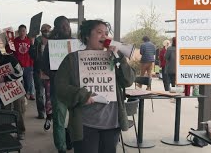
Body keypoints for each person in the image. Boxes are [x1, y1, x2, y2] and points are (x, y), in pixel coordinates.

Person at [55, 20, 135, 153]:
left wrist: (120, 59)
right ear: (87, 35)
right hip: (84, 125)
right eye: (99, 32)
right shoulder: (72, 59)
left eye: (106, 33)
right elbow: (60, 87)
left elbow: (128, 81)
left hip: (111, 123)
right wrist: (81, 95)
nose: (104, 36)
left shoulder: (113, 58)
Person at [41, 16, 73, 152]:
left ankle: (70, 140)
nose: (66, 27)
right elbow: (43, 64)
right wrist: (55, 74)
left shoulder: (75, 43)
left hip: (75, 87)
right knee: (59, 120)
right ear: (57, 28)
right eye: (62, 25)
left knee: (75, 119)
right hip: (58, 87)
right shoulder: (51, 44)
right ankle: (61, 148)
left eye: (67, 25)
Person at [0, 47, 26, 139]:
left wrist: (5, 78)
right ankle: (7, 131)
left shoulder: (11, 60)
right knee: (5, 111)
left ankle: (20, 131)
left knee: (18, 109)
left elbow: (20, 73)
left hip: (16, 87)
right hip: (3, 90)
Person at [29, 23, 53, 124]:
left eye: (48, 29)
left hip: (49, 72)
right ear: (41, 30)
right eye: (44, 30)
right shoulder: (37, 41)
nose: (46, 31)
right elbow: (32, 56)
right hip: (38, 71)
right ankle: (41, 112)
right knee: (39, 93)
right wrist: (32, 44)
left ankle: (49, 113)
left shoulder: (54, 41)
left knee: (49, 94)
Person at [6, 25, 35, 100]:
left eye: (24, 31)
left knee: (28, 82)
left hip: (28, 65)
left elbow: (33, 52)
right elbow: (8, 51)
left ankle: (27, 94)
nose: (22, 32)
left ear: (26, 32)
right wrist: (7, 43)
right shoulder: (14, 41)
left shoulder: (29, 41)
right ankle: (21, 98)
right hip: (18, 66)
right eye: (20, 31)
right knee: (19, 83)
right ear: (18, 32)